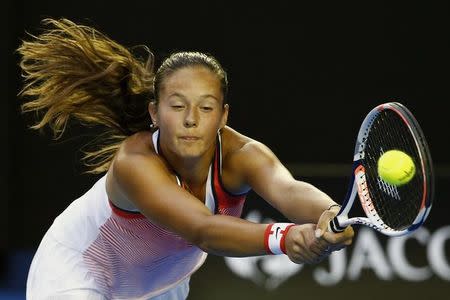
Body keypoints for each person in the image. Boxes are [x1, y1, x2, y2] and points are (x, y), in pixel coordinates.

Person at [19, 18, 354, 300]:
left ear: (223, 116)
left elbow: (289, 189)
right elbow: (202, 229)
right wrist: (284, 237)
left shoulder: (242, 155)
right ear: (155, 112)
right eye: (178, 106)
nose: (191, 119)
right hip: (79, 271)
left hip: (163, 284)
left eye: (206, 108)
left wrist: (328, 214)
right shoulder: (134, 162)